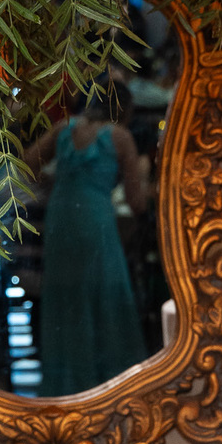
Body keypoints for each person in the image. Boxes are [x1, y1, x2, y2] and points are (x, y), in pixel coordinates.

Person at [28, 83, 148, 395]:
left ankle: (66, 384)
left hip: (62, 216)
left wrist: (57, 180)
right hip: (95, 219)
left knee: (66, 297)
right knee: (104, 292)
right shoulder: (121, 137)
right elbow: (137, 202)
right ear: (125, 109)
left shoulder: (64, 129)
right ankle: (106, 384)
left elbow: (25, 164)